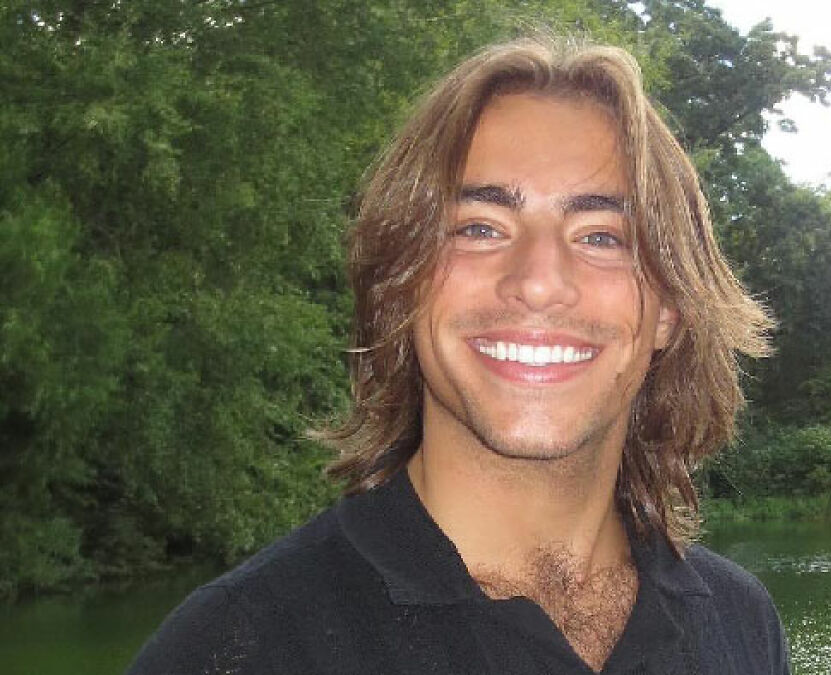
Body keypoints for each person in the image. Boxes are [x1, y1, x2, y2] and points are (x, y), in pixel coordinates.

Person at [129, 35, 782, 674]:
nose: (538, 280)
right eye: (479, 228)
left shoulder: (741, 622)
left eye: (603, 236)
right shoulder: (237, 645)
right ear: (400, 286)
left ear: (668, 308)